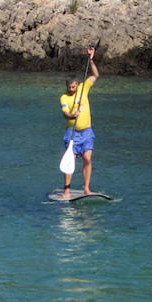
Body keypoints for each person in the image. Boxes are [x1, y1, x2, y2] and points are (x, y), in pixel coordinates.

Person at [59, 47, 100, 195]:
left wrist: (91, 60)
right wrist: (72, 115)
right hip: (72, 133)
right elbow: (65, 113)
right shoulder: (64, 97)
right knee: (71, 159)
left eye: (74, 86)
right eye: (69, 87)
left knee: (87, 159)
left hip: (87, 132)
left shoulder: (84, 88)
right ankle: (67, 189)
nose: (72, 89)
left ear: (77, 84)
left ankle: (86, 188)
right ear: (67, 86)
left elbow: (95, 74)